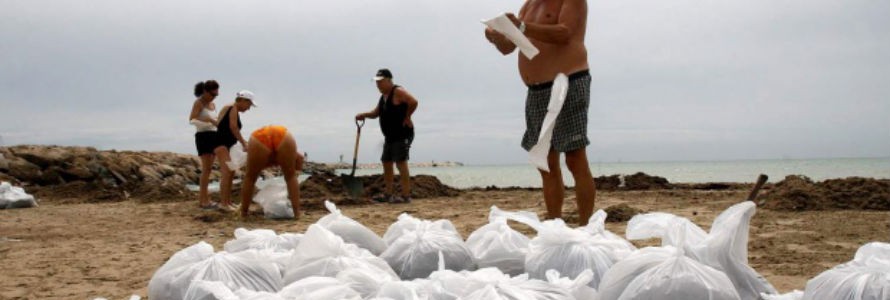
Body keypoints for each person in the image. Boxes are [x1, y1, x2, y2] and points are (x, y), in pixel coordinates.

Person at [484, 0, 597, 225]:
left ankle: (587, 227)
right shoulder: (528, 5)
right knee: (545, 161)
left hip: (567, 82)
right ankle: (554, 223)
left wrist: (522, 26)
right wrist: (496, 36)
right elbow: (509, 48)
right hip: (536, 90)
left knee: (575, 158)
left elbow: (565, 33)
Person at [355, 68, 419, 203]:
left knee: (401, 163)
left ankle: (406, 196)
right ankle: (388, 194)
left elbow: (413, 102)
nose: (377, 85)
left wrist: (407, 116)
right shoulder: (383, 97)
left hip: (402, 133)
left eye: (380, 82)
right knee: (386, 162)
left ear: (389, 80)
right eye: (376, 82)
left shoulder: (398, 91)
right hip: (390, 136)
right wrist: (364, 115)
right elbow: (376, 113)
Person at [239, 125, 304, 219]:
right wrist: (296, 173)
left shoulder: (258, 160)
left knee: (250, 178)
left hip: (259, 137)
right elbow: (300, 158)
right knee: (290, 177)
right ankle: (297, 213)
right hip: (283, 134)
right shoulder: (292, 157)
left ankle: (244, 213)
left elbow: (249, 176)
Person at [214, 90, 255, 210]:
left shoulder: (232, 109)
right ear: (243, 100)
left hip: (228, 144)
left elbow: (221, 124)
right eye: (249, 105)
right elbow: (233, 127)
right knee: (227, 172)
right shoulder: (232, 107)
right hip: (221, 144)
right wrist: (243, 143)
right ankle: (224, 204)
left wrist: (243, 142)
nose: (248, 108)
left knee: (231, 172)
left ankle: (228, 202)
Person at [189, 80, 220, 210]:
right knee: (206, 170)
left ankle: (206, 199)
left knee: (209, 170)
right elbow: (192, 120)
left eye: (216, 95)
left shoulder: (212, 104)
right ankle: (203, 201)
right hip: (203, 136)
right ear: (205, 91)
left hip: (213, 136)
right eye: (212, 94)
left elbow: (215, 120)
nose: (214, 97)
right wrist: (209, 121)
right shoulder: (199, 102)